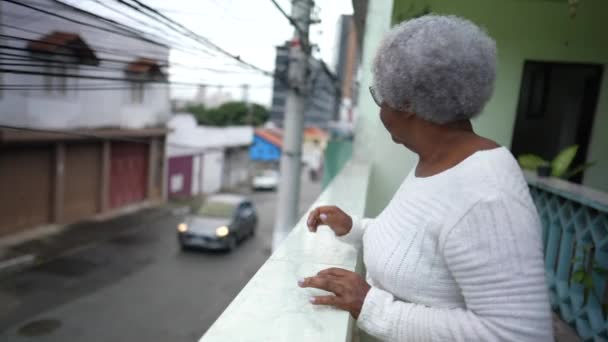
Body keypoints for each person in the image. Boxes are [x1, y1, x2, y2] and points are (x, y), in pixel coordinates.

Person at [299, 15, 553, 341]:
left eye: (379, 96)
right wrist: (354, 229)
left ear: (406, 103)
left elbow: (518, 335)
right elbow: (419, 247)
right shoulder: (436, 162)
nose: (380, 109)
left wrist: (371, 305)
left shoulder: (486, 194)